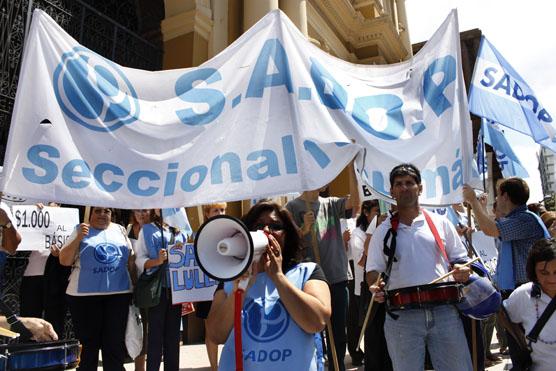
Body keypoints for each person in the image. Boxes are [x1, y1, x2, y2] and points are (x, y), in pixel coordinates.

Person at [367, 164, 473, 371]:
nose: (404, 188)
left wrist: (463, 271)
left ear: (420, 188)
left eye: (409, 183)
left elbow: (460, 259)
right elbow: (373, 270)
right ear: (391, 191)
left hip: (445, 312)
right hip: (401, 316)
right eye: (399, 184)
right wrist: (375, 285)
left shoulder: (441, 223)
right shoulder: (382, 231)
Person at [207, 201, 331, 371]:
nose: (266, 231)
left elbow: (317, 322)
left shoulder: (308, 272)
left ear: (287, 235)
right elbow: (215, 334)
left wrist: (278, 277)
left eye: (275, 226)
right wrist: (240, 290)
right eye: (258, 226)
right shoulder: (230, 281)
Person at [285, 161, 360, 371]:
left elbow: (355, 203)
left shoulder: (332, 204)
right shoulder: (291, 208)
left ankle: (338, 367)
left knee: (338, 330)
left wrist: (351, 169)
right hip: (310, 281)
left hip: (336, 276)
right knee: (313, 330)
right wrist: (304, 229)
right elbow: (289, 243)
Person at [59, 207, 133, 371]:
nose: (102, 215)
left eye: (106, 211)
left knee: (114, 344)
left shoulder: (120, 230)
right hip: (84, 297)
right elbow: (64, 260)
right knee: (88, 345)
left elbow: (130, 260)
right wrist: (79, 237)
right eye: (97, 211)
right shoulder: (80, 229)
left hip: (118, 294)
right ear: (90, 213)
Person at [463, 178, 548, 294]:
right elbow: (493, 228)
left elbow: (490, 229)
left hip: (530, 289)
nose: (496, 199)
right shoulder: (517, 219)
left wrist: (473, 201)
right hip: (521, 289)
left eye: (498, 194)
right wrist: (481, 208)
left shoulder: (524, 219)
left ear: (506, 196)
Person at [134, 209, 188, 371]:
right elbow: (140, 260)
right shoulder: (148, 230)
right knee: (155, 337)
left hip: (176, 290)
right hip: (157, 291)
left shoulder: (182, 232)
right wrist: (157, 261)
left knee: (173, 337)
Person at [504, 238, 556, 371]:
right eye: (544, 273)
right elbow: (504, 316)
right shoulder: (522, 295)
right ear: (533, 271)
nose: (552, 279)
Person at [346, 200, 378, 367]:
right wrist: (372, 241)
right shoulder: (357, 234)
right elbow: (361, 262)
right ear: (366, 213)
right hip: (360, 285)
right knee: (357, 324)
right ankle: (356, 353)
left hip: (377, 285)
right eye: (375, 212)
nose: (378, 216)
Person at [196, 202, 227, 371]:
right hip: (207, 285)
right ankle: (214, 367)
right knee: (210, 326)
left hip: (226, 283)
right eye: (216, 210)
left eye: (223, 210)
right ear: (207, 213)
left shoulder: (231, 229)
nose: (220, 213)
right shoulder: (200, 233)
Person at [127, 209, 152, 371]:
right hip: (131, 285)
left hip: (149, 287)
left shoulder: (155, 230)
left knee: (148, 329)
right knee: (137, 328)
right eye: (138, 211)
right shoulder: (128, 229)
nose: (141, 214)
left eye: (145, 211)